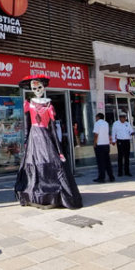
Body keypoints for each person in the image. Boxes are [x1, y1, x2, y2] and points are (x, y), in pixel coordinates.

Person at [14, 75, 82, 209]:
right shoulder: (29, 103)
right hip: (34, 137)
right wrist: (27, 140)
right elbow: (27, 125)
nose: (37, 90)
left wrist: (58, 148)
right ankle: (34, 193)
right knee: (33, 162)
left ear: (44, 87)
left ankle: (51, 193)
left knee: (51, 161)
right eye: (34, 88)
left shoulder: (49, 104)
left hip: (45, 136)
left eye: (39, 87)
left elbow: (52, 128)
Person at [92, 113, 115, 183]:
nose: (95, 118)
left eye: (96, 117)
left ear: (98, 117)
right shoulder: (106, 123)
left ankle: (101, 177)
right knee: (107, 161)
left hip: (100, 144)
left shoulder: (97, 123)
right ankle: (111, 176)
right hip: (106, 144)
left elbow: (96, 134)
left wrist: (94, 143)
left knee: (100, 162)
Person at [110, 112, 133, 176]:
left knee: (127, 157)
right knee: (120, 157)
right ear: (120, 118)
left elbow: (131, 131)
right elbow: (113, 132)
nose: (124, 119)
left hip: (127, 141)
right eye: (122, 117)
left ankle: (127, 171)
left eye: (124, 117)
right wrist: (113, 140)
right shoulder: (116, 124)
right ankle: (120, 172)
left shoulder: (127, 124)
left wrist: (132, 134)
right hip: (120, 141)